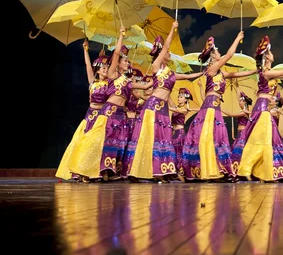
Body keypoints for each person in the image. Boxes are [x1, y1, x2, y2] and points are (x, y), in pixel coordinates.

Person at [68, 28, 153, 182]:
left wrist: (156, 76)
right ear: (118, 63)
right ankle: (84, 169)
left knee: (115, 145)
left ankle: (107, 172)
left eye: (128, 61)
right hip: (108, 112)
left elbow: (145, 87)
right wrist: (121, 35)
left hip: (120, 115)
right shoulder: (113, 75)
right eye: (126, 61)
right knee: (96, 141)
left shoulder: (128, 81)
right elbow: (115, 53)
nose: (128, 63)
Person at [124, 21, 204, 182]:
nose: (169, 53)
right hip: (152, 106)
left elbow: (188, 76)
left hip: (163, 109)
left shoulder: (171, 73)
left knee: (162, 139)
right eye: (167, 52)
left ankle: (159, 170)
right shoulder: (156, 68)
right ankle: (138, 170)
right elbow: (166, 47)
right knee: (149, 137)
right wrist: (172, 30)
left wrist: (203, 73)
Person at [232, 36, 283, 182]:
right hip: (262, 108)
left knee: (265, 138)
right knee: (264, 139)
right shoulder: (266, 73)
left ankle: (261, 169)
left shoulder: (265, 72)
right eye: (271, 52)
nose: (273, 54)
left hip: (262, 107)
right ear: (267, 56)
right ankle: (253, 169)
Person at [182, 33, 258, 182]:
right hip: (209, 106)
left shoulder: (221, 73)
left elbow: (238, 73)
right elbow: (229, 55)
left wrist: (256, 71)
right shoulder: (211, 69)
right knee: (208, 137)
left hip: (215, 107)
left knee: (217, 138)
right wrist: (238, 38)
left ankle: (217, 169)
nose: (220, 54)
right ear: (212, 55)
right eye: (217, 52)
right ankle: (205, 169)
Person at [55, 40, 110, 181]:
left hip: (102, 117)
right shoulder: (93, 81)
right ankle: (78, 170)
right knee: (82, 143)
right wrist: (86, 50)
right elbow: (87, 65)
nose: (105, 70)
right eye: (103, 68)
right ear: (97, 70)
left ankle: (92, 172)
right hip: (89, 116)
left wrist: (104, 58)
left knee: (96, 145)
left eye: (106, 67)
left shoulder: (110, 83)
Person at [169, 87, 198, 180]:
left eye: (181, 97)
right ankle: (175, 172)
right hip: (174, 133)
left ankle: (182, 172)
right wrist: (167, 91)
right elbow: (169, 100)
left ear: (185, 99)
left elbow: (177, 111)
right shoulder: (176, 107)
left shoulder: (185, 109)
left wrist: (166, 107)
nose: (178, 98)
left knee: (180, 153)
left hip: (180, 134)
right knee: (173, 153)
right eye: (178, 97)